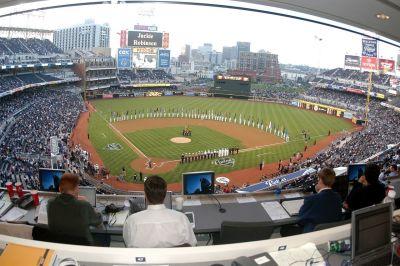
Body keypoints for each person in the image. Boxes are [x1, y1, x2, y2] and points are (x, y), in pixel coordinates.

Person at [123, 175, 196, 248]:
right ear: (165, 194)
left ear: (145, 195)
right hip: (173, 259)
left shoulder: (131, 221)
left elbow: (128, 244)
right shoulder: (182, 218)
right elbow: (192, 244)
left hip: (145, 259)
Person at [281, 168, 342, 235]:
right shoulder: (338, 197)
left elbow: (301, 220)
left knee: (284, 229)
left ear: (320, 180)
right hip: (329, 233)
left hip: (311, 234)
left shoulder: (312, 198)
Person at [47, 173, 102, 245]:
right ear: (76, 189)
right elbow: (98, 221)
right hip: (83, 246)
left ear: (60, 188)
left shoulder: (50, 203)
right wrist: (88, 204)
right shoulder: (84, 205)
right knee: (106, 238)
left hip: (61, 245)